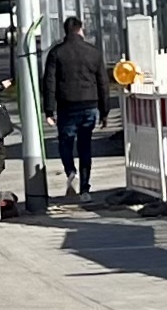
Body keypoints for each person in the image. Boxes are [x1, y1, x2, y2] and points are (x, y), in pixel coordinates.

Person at [42, 13, 113, 198]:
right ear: (81, 30)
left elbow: (49, 83)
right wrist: (105, 111)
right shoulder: (93, 52)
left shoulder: (56, 53)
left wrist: (49, 110)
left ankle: (70, 171)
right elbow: (103, 83)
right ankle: (84, 188)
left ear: (66, 31)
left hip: (66, 105)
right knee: (85, 147)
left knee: (65, 143)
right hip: (89, 104)